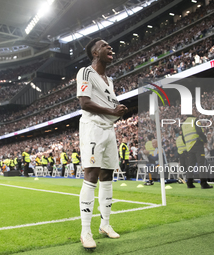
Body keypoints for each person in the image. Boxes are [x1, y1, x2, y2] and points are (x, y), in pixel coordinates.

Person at [77, 38, 128, 249]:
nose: (110, 47)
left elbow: (110, 105)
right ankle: (85, 231)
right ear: (95, 52)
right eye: (105, 45)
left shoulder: (110, 80)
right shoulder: (85, 72)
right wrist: (112, 111)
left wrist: (120, 111)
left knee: (107, 176)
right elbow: (85, 102)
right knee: (91, 176)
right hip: (92, 127)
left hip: (109, 130)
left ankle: (105, 224)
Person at [181, 115, 213, 189]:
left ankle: (189, 183)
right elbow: (199, 131)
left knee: (190, 166)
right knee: (201, 164)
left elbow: (183, 137)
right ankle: (203, 183)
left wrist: (188, 144)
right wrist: (205, 140)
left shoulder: (184, 124)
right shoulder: (195, 120)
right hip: (197, 144)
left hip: (189, 147)